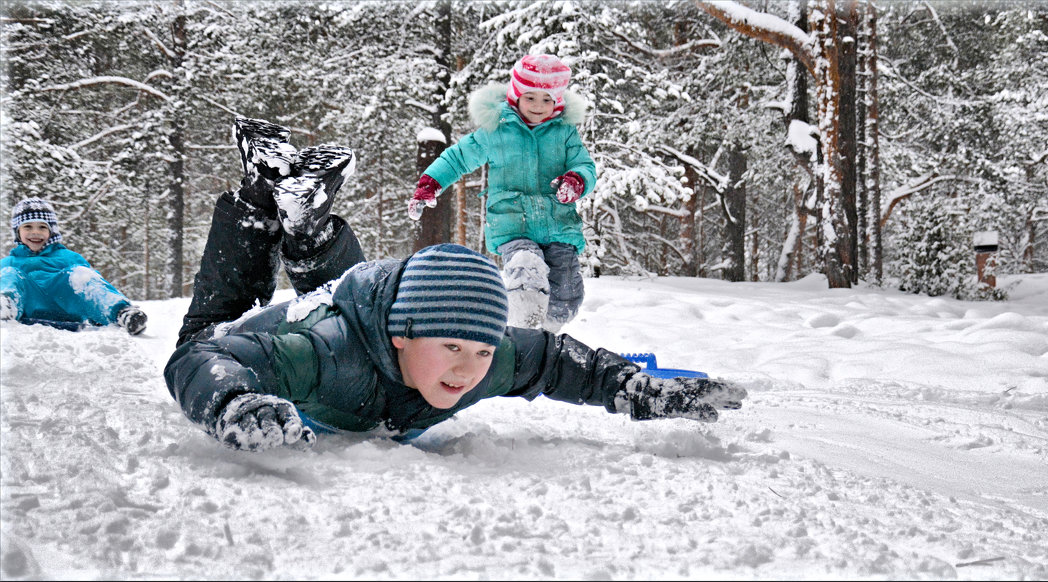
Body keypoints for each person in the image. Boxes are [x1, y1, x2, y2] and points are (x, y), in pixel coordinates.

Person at [164, 116, 745, 452]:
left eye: (481, 350)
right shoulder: (319, 357)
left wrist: (638, 390)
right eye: (453, 348)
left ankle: (307, 222)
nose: (469, 369)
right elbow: (201, 357)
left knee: (336, 285)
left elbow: (563, 363)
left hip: (369, 303)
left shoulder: (481, 357)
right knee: (216, 317)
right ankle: (260, 200)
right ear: (403, 336)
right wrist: (236, 401)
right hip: (296, 330)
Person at [407, 54, 594, 333]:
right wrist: (430, 183)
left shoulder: (564, 133)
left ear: (557, 101)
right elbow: (458, 157)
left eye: (547, 99)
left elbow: (584, 165)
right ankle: (524, 327)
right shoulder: (496, 130)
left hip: (558, 225)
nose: (538, 107)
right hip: (512, 223)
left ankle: (546, 337)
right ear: (516, 95)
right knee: (525, 265)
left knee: (566, 293)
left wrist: (577, 180)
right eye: (530, 98)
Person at [0, 197, 147, 335]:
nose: (35, 232)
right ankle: (4, 309)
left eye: (42, 227)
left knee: (81, 274)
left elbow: (95, 285)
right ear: (18, 231)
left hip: (67, 307)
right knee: (9, 274)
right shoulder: (9, 262)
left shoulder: (69, 257)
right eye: (28, 226)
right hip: (28, 306)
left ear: (52, 231)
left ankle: (121, 313)